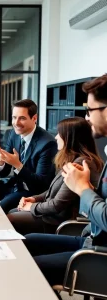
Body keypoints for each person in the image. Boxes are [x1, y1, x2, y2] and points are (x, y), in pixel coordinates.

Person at [23, 74, 107, 290]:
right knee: (27, 241)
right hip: (89, 239)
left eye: (89, 110)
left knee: (26, 268)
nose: (87, 118)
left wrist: (83, 189)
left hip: (98, 255)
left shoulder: (84, 161)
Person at [7, 117, 103, 235]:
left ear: (70, 138)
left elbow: (57, 204)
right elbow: (55, 190)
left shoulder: (80, 164)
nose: (56, 137)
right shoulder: (72, 159)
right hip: (51, 215)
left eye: (59, 133)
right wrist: (35, 198)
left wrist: (32, 206)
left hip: (57, 221)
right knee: (12, 211)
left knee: (10, 218)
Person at [0, 99, 58, 214]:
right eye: (14, 117)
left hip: (32, 191)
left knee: (2, 207)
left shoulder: (47, 144)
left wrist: (17, 165)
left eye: (22, 118)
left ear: (34, 118)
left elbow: (41, 184)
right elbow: (3, 172)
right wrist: (1, 163)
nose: (16, 123)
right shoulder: (14, 133)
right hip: (15, 184)